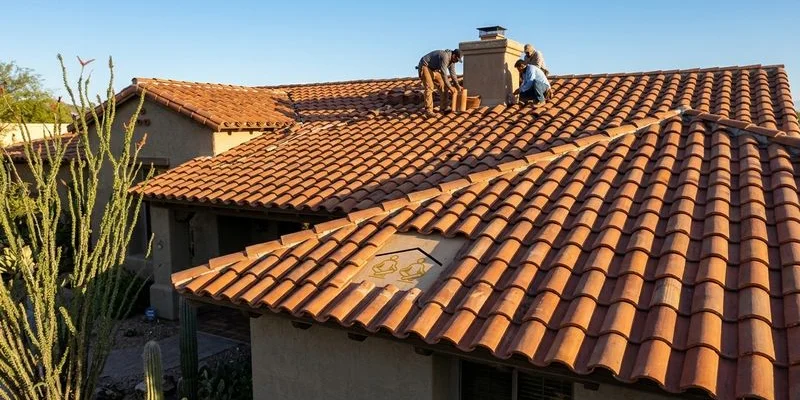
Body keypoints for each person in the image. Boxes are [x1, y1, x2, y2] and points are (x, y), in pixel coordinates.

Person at [417, 49, 462, 115]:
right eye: (457, 59)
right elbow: (444, 73)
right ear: (454, 55)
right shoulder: (445, 56)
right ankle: (428, 111)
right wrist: (450, 87)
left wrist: (458, 86)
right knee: (430, 87)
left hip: (434, 70)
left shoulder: (452, 62)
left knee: (443, 86)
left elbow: (453, 74)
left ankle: (444, 108)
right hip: (425, 67)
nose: (457, 62)